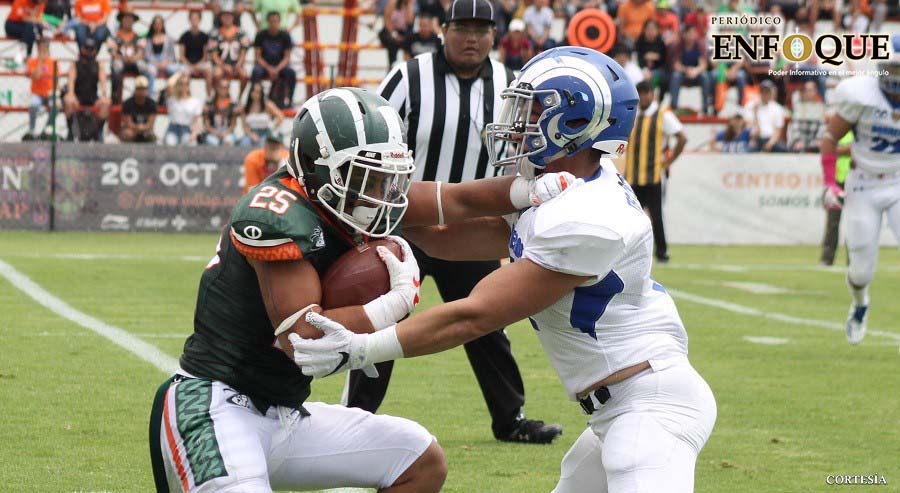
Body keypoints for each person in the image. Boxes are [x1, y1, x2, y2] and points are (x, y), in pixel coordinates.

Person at [291, 48, 717, 492]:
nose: (518, 122)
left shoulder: (588, 215)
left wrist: (360, 348)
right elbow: (452, 223)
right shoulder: (560, 182)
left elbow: (473, 315)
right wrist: (351, 201)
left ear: (575, 122)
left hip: (650, 408)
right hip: (618, 408)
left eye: (533, 109)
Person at [147, 85, 577, 492]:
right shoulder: (277, 212)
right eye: (363, 175)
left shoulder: (347, 197)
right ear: (316, 167)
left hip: (285, 414)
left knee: (419, 459)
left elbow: (458, 201)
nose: (378, 192)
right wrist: (390, 305)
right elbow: (302, 340)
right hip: (214, 405)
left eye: (382, 176)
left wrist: (527, 191)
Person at [358, 0, 564, 444]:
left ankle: (511, 418)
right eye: (462, 27)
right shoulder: (408, 77)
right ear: (443, 30)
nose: (471, 37)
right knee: (384, 318)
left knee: (488, 321)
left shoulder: (513, 84)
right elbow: (373, 134)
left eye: (481, 28)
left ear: (495, 35)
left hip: (473, 228)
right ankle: (355, 415)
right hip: (403, 223)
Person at [819, 45, 900, 345]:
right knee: (861, 270)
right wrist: (831, 183)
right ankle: (860, 303)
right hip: (864, 185)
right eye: (892, 67)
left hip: (897, 180)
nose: (894, 75)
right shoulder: (861, 95)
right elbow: (829, 139)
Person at [623, 81, 686, 263]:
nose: (643, 97)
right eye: (640, 94)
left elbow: (682, 138)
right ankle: (627, 254)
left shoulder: (662, 114)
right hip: (633, 175)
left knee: (656, 216)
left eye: (646, 93)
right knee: (631, 218)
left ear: (652, 95)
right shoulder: (633, 114)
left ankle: (662, 253)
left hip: (654, 175)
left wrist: (668, 162)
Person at [63, 37, 110, 141]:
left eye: (91, 49)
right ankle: (70, 131)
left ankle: (99, 131)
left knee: (106, 102)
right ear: (82, 49)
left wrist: (104, 93)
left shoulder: (99, 64)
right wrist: (71, 93)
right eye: (86, 48)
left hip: (92, 97)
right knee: (68, 100)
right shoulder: (74, 64)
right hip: (78, 96)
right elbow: (71, 79)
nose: (88, 51)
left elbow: (103, 80)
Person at [820, 117, 852, 266]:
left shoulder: (856, 132)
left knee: (855, 223)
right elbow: (826, 147)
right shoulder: (835, 133)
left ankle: (853, 260)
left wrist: (835, 150)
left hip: (854, 183)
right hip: (837, 183)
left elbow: (854, 149)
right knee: (832, 222)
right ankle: (827, 258)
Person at [250, 11, 295, 109]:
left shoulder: (285, 36)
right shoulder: (261, 35)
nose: (273, 23)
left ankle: (289, 101)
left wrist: (277, 69)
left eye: (276, 21)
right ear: (267, 22)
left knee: (291, 73)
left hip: (280, 66)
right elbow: (258, 57)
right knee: (255, 72)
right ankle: (254, 100)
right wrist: (269, 68)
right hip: (264, 66)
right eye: (271, 21)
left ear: (279, 22)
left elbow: (287, 58)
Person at [108, 8, 152, 103]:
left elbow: (140, 53)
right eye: (126, 18)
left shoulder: (139, 37)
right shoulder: (114, 36)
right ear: (121, 20)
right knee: (116, 65)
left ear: (133, 21)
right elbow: (113, 53)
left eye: (130, 19)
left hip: (134, 61)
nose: (128, 21)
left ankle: (145, 94)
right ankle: (115, 95)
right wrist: (123, 58)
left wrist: (133, 58)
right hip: (120, 60)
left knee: (145, 68)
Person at [669, 25, 712, 116]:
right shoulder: (678, 46)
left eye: (693, 33)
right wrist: (686, 70)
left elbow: (703, 64)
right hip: (683, 73)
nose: (691, 36)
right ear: (684, 35)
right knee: (675, 76)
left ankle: (705, 108)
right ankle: (674, 107)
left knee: (704, 76)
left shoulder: (699, 45)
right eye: (689, 33)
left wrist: (695, 71)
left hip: (696, 73)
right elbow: (676, 64)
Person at [208, 8, 251, 94]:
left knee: (244, 75)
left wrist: (238, 65)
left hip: (237, 65)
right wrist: (224, 66)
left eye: (229, 16)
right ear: (220, 18)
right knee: (216, 74)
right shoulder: (215, 34)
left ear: (233, 18)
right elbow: (214, 55)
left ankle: (239, 97)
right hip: (220, 65)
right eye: (224, 16)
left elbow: (243, 52)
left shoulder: (241, 33)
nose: (227, 18)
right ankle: (217, 96)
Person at [144, 14, 184, 104]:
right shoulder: (149, 39)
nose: (158, 26)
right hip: (153, 63)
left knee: (181, 70)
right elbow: (147, 55)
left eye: (160, 23)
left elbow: (172, 55)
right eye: (156, 24)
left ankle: (170, 94)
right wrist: (157, 63)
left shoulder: (168, 39)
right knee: (151, 71)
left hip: (166, 62)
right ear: (153, 25)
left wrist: (166, 62)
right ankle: (150, 97)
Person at [25, 37, 57, 140]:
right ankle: (32, 129)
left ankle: (47, 129)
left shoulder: (53, 62)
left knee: (56, 106)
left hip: (49, 93)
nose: (43, 51)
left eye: (45, 49)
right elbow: (37, 76)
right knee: (33, 106)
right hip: (37, 93)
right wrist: (40, 61)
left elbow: (56, 80)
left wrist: (54, 92)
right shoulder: (32, 62)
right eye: (41, 49)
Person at [745, 79, 788, 152]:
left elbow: (778, 130)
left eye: (768, 92)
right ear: (760, 92)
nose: (765, 94)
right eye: (763, 92)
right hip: (755, 138)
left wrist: (770, 144)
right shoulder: (751, 105)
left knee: (784, 150)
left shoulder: (777, 108)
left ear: (772, 93)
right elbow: (748, 127)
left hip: (770, 139)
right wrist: (756, 113)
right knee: (747, 150)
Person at [162, 71, 203, 145]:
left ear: (189, 85)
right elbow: (169, 84)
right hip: (173, 129)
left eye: (186, 84)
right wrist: (180, 73)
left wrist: (194, 134)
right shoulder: (172, 99)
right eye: (181, 84)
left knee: (190, 144)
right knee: (170, 143)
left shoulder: (195, 102)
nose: (183, 86)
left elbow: (196, 122)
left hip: (187, 129)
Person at [239, 81, 284, 147]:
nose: (256, 94)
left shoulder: (267, 105)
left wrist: (273, 127)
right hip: (251, 133)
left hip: (265, 133)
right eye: (254, 91)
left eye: (258, 92)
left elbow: (280, 116)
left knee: (263, 144)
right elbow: (244, 126)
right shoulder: (245, 107)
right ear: (250, 93)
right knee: (244, 143)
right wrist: (251, 135)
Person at [178, 9, 212, 93]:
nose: (194, 21)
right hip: (187, 63)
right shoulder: (184, 36)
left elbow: (205, 56)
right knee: (184, 74)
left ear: (200, 20)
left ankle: (209, 97)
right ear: (189, 20)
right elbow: (181, 56)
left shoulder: (204, 36)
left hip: (201, 63)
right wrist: (191, 66)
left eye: (196, 18)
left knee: (209, 71)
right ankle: (186, 96)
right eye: (192, 19)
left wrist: (197, 66)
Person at [4, 0, 46, 67]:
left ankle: (27, 57)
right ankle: (23, 56)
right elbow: (23, 18)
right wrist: (36, 20)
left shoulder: (41, 3)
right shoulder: (21, 1)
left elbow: (38, 18)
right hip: (12, 25)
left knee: (34, 29)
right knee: (30, 28)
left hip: (27, 29)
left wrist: (40, 22)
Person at [119, 75, 158, 143]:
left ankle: (151, 153)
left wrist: (143, 128)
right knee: (127, 133)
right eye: (139, 89)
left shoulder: (152, 103)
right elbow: (128, 122)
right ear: (135, 90)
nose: (141, 92)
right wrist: (138, 128)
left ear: (147, 90)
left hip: (146, 129)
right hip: (131, 129)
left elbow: (151, 123)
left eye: (143, 89)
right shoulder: (128, 103)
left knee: (151, 135)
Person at [202, 78, 240, 146]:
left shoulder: (233, 104)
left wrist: (225, 133)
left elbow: (233, 125)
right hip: (213, 132)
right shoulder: (209, 104)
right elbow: (206, 124)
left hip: (227, 132)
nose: (223, 90)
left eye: (225, 88)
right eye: (221, 87)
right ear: (217, 88)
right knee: (212, 142)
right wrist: (215, 133)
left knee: (228, 141)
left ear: (228, 89)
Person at [379, 0, 415, 66]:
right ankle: (391, 65)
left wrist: (409, 6)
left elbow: (410, 22)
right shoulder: (392, 2)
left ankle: (409, 65)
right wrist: (394, 34)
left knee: (410, 41)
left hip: (402, 31)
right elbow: (386, 19)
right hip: (389, 30)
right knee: (392, 42)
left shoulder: (410, 4)